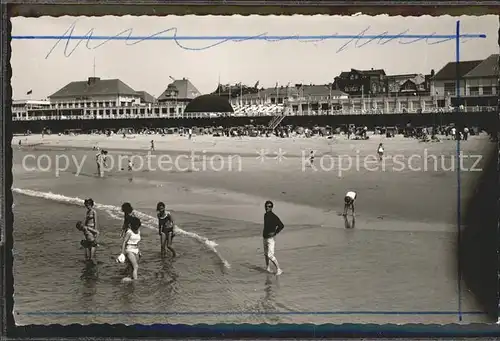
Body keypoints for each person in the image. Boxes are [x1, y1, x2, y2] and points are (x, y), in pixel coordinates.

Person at [262, 200, 284, 275]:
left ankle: (279, 269)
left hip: (271, 238)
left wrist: (275, 232)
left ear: (271, 208)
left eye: (269, 207)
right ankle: (268, 267)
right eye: (266, 206)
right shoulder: (265, 215)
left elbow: (281, 225)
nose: (267, 208)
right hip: (265, 237)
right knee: (265, 254)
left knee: (270, 255)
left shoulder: (274, 217)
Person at [120, 215, 142, 280]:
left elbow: (137, 242)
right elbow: (124, 242)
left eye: (138, 225)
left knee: (131, 267)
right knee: (136, 267)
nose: (137, 227)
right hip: (129, 250)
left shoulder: (138, 231)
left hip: (136, 250)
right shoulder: (129, 232)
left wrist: (139, 251)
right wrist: (122, 253)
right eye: (135, 225)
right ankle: (135, 282)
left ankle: (128, 279)